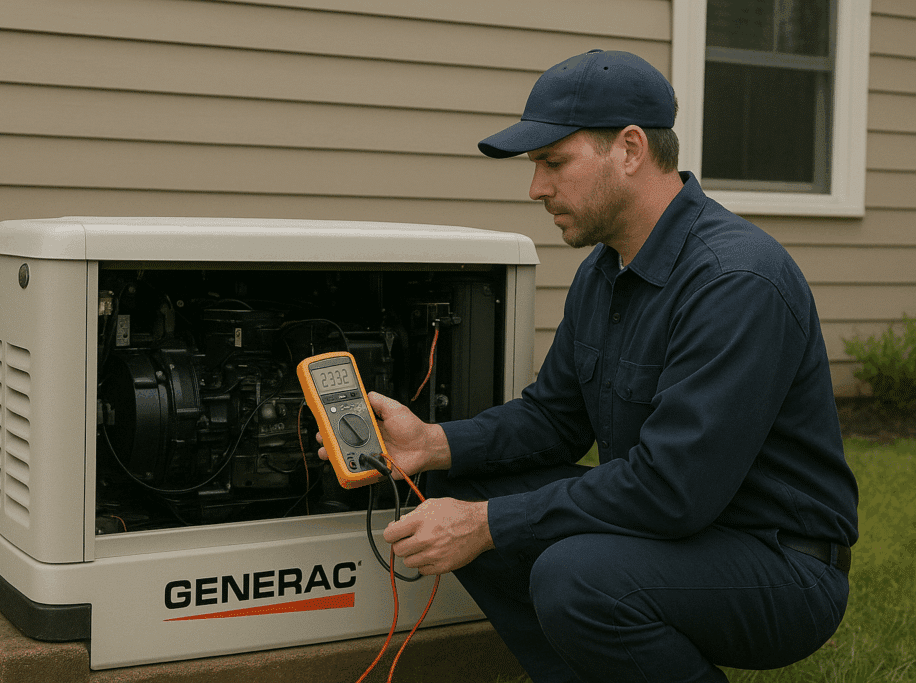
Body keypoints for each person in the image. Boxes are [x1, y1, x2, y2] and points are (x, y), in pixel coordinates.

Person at [319, 50, 859, 683]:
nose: (536, 188)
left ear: (628, 149)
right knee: (460, 491)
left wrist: (485, 524)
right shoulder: (604, 273)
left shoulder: (735, 281)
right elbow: (555, 419)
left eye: (553, 162)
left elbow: (671, 489)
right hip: (681, 533)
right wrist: (434, 444)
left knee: (575, 578)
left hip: (779, 564)